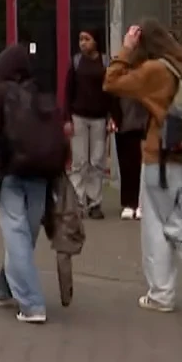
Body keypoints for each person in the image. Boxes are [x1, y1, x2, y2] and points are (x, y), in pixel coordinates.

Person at [104, 20, 182, 313]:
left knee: (160, 225)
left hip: (161, 156)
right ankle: (174, 285)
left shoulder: (153, 70)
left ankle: (178, 283)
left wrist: (126, 49)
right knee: (181, 217)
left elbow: (112, 81)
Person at [0, 44, 69, 324]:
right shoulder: (43, 94)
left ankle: (31, 304)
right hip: (43, 174)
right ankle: (4, 287)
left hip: (11, 171)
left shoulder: (0, 93)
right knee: (25, 236)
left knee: (16, 235)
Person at [64, 29, 113, 220]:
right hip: (79, 117)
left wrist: (112, 117)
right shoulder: (76, 63)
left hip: (100, 118)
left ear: (96, 41)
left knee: (97, 160)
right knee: (79, 161)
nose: (83, 43)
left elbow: (111, 92)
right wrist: (67, 118)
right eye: (80, 39)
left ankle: (95, 202)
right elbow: (68, 91)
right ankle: (77, 201)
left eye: (87, 39)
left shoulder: (105, 62)